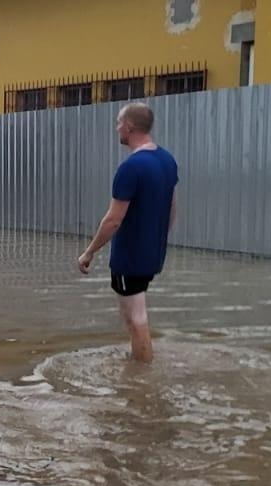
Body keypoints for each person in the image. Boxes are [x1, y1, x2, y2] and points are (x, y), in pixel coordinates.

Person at [77, 102, 179, 363]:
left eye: (118, 123)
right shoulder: (167, 160)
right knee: (137, 315)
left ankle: (142, 378)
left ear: (130, 126)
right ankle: (137, 365)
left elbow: (113, 220)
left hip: (130, 258)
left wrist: (89, 252)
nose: (117, 128)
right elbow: (171, 207)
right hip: (152, 254)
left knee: (135, 319)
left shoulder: (131, 168)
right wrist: (158, 240)